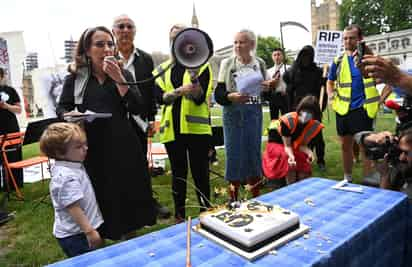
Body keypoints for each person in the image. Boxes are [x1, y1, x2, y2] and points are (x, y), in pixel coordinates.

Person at [57, 26, 156, 240]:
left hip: (123, 145)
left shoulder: (123, 73)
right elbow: (62, 108)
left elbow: (139, 107)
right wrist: (69, 116)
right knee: (103, 198)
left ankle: (130, 240)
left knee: (128, 203)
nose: (107, 49)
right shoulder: (76, 78)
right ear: (87, 50)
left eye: (110, 44)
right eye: (100, 44)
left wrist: (119, 79)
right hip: (92, 148)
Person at [152, 24, 213, 223]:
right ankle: (180, 215)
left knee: (200, 173)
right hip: (173, 131)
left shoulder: (202, 64)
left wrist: (194, 82)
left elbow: (199, 97)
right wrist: (180, 91)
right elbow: (159, 98)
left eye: (181, 36)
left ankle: (206, 212)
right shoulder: (161, 70)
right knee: (178, 174)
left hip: (197, 130)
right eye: (173, 38)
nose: (177, 40)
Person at [112, 14, 170, 219]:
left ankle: (147, 202)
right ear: (114, 31)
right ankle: (121, 205)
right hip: (114, 120)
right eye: (121, 26)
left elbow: (149, 90)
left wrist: (151, 117)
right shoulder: (106, 57)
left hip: (138, 119)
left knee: (140, 161)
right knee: (117, 163)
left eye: (129, 26)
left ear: (135, 32)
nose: (125, 30)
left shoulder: (145, 58)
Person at [214, 29, 267, 201]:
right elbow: (219, 94)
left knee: (253, 153)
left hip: (253, 114)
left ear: (251, 44)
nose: (237, 46)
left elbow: (264, 93)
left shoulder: (259, 63)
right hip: (232, 115)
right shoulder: (227, 63)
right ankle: (233, 198)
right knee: (234, 155)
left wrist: (268, 87)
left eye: (241, 42)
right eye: (235, 42)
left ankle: (255, 197)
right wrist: (231, 96)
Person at [39, 122, 104, 257]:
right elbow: (73, 207)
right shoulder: (66, 176)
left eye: (85, 144)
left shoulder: (73, 164)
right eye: (79, 147)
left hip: (83, 230)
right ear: (59, 153)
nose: (85, 148)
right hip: (76, 235)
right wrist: (90, 232)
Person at [327, 24, 380, 183]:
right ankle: (347, 178)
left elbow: (380, 78)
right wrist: (330, 95)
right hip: (343, 110)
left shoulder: (369, 58)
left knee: (365, 146)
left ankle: (369, 179)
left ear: (360, 39)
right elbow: (330, 82)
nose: (347, 41)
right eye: (345, 38)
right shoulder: (338, 61)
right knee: (345, 146)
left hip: (363, 109)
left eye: (351, 38)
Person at [262, 96, 324, 185]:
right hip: (276, 143)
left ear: (315, 114)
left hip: (291, 145)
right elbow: (287, 146)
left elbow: (302, 145)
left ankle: (302, 185)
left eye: (310, 112)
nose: (306, 114)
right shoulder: (288, 120)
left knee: (303, 157)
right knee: (287, 158)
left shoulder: (313, 125)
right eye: (304, 110)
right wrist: (291, 156)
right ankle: (290, 186)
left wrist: (309, 153)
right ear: (300, 109)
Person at [284, 45, 327, 170]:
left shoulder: (318, 72)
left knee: (317, 134)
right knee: (299, 135)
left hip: (313, 107)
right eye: (304, 56)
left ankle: (321, 159)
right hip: (298, 107)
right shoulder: (293, 71)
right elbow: (288, 90)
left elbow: (322, 90)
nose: (306, 59)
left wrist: (324, 80)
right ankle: (302, 157)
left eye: (309, 56)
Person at [0, 67, 23, 190]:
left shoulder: (10, 90)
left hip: (10, 126)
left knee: (13, 154)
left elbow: (18, 110)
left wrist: (6, 106)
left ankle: (15, 183)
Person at [263, 48, 289, 120]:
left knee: (286, 119)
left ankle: (285, 131)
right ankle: (274, 131)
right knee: (274, 119)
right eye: (274, 55)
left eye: (278, 54)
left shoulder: (288, 69)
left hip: (285, 97)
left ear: (282, 56)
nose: (277, 57)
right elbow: (264, 84)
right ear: (272, 57)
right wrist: (270, 82)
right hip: (273, 96)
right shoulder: (268, 71)